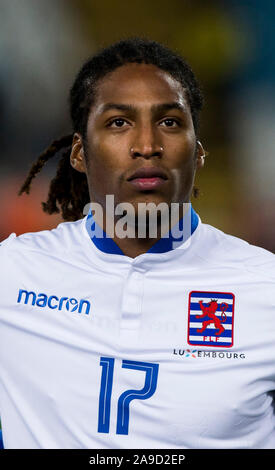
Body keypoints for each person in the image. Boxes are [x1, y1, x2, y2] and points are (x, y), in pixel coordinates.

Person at [0, 37, 274, 450]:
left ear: (198, 152)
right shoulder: (12, 275)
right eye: (118, 123)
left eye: (169, 122)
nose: (148, 146)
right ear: (78, 152)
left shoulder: (265, 291)